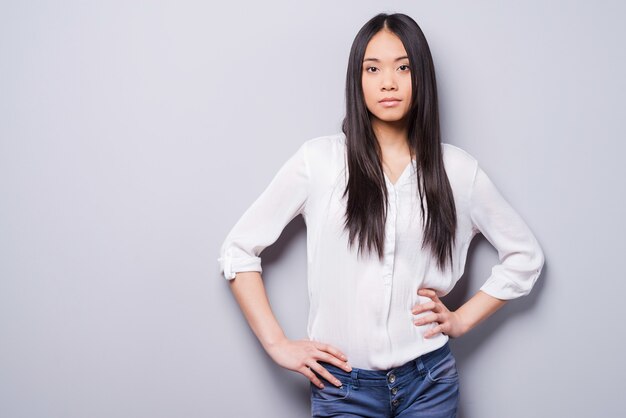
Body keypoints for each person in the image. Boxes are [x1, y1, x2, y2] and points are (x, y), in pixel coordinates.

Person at [217, 12, 545, 418]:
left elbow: (525, 257)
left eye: (403, 67)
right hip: (342, 386)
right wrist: (276, 344)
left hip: (430, 382)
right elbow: (238, 250)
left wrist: (460, 320)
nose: (388, 82)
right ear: (358, 79)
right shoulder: (319, 161)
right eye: (372, 68)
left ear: (420, 76)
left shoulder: (457, 171)